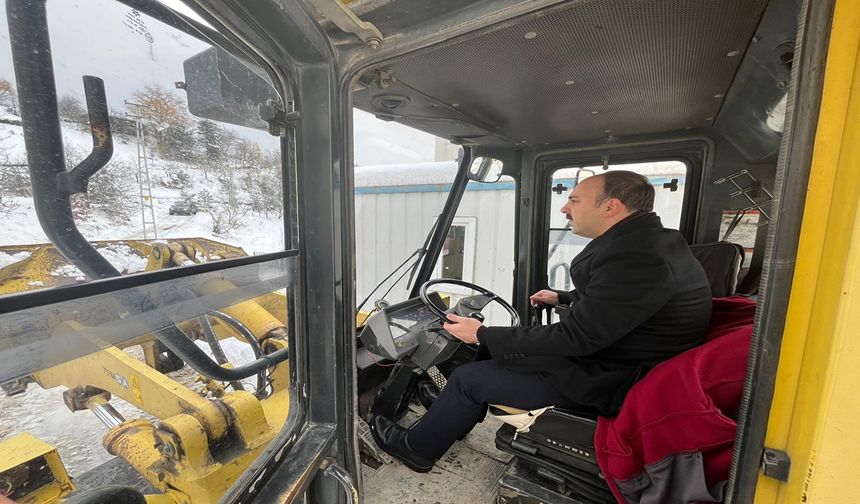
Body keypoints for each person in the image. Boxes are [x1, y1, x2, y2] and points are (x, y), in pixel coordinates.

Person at [371, 170, 713, 473]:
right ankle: (454, 419)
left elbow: (580, 336)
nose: (566, 208)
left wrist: (484, 333)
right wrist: (564, 298)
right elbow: (626, 306)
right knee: (497, 351)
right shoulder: (651, 241)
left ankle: (417, 450)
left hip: (615, 380)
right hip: (623, 360)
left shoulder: (636, 257)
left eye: (575, 200)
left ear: (611, 207)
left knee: (467, 377)